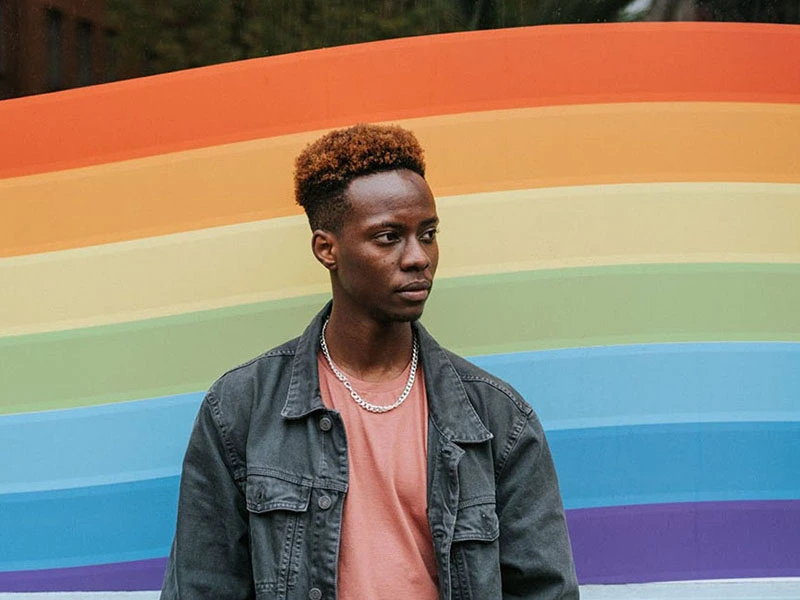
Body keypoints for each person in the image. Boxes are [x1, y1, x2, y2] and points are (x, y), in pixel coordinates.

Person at [160, 123, 579, 599]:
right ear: (327, 249)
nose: (418, 257)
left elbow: (545, 590)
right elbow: (201, 587)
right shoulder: (240, 408)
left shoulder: (496, 418)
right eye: (388, 237)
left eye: (428, 233)